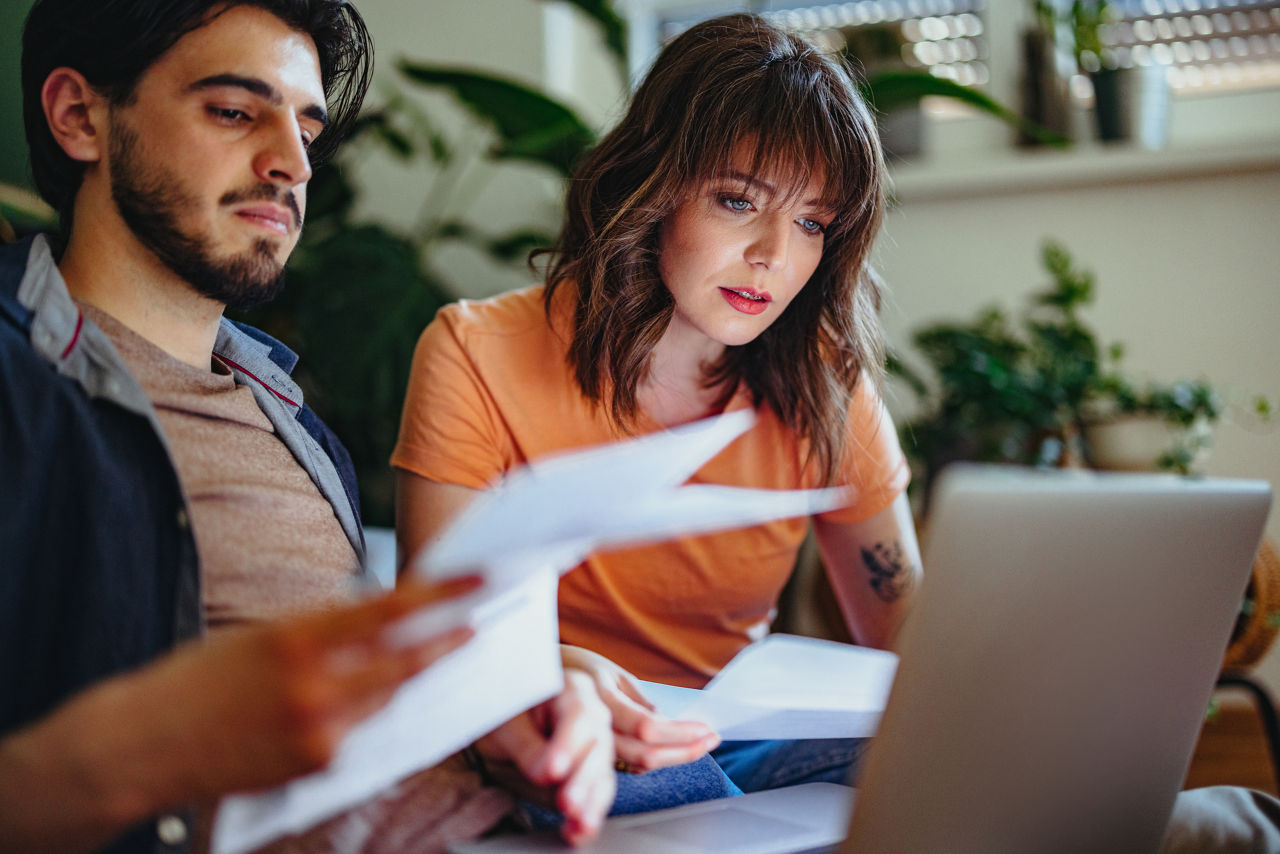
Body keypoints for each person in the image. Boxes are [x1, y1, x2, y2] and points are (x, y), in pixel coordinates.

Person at [0, 2, 613, 852]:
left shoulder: (284, 408)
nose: (292, 164)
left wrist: (515, 700)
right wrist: (162, 739)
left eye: (308, 132)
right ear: (80, 117)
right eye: (233, 111)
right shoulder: (20, 384)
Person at [393, 12, 920, 798]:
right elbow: (438, 641)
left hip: (739, 740)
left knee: (954, 770)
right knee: (668, 793)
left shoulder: (824, 380)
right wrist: (553, 677)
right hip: (561, 737)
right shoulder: (474, 352)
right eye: (738, 201)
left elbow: (902, 629)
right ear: (654, 187)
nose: (775, 257)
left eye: (812, 223)